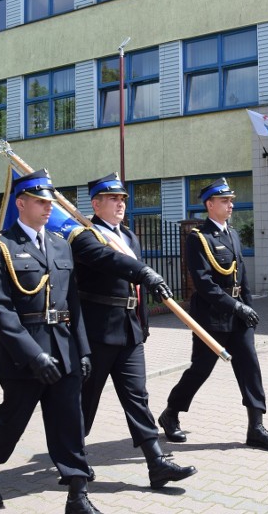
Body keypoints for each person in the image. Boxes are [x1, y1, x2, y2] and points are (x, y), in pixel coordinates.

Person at [0, 169, 101, 514]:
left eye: (50, 202)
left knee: (70, 424)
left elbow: (74, 302)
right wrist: (32, 355)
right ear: (21, 203)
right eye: (41, 202)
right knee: (12, 422)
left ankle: (77, 493)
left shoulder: (60, 244)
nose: (48, 209)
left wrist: (84, 350)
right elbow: (0, 309)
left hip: (64, 348)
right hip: (23, 356)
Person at [68, 173, 197, 490]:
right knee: (86, 401)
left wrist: (143, 324)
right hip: (97, 333)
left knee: (138, 398)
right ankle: (72, 460)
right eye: (113, 198)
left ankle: (156, 463)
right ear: (96, 204)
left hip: (130, 332)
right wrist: (146, 272)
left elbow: (133, 288)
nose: (120, 203)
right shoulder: (84, 236)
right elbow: (110, 261)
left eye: (123, 198)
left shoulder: (128, 235)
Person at [158, 178, 268, 449]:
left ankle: (256, 427)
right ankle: (171, 413)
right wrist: (236, 306)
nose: (231, 205)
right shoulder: (198, 239)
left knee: (250, 367)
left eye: (231, 200)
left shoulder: (233, 234)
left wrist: (248, 308)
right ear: (209, 204)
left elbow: (242, 276)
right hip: (212, 317)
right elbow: (204, 284)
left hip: (238, 317)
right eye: (225, 201)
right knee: (201, 370)